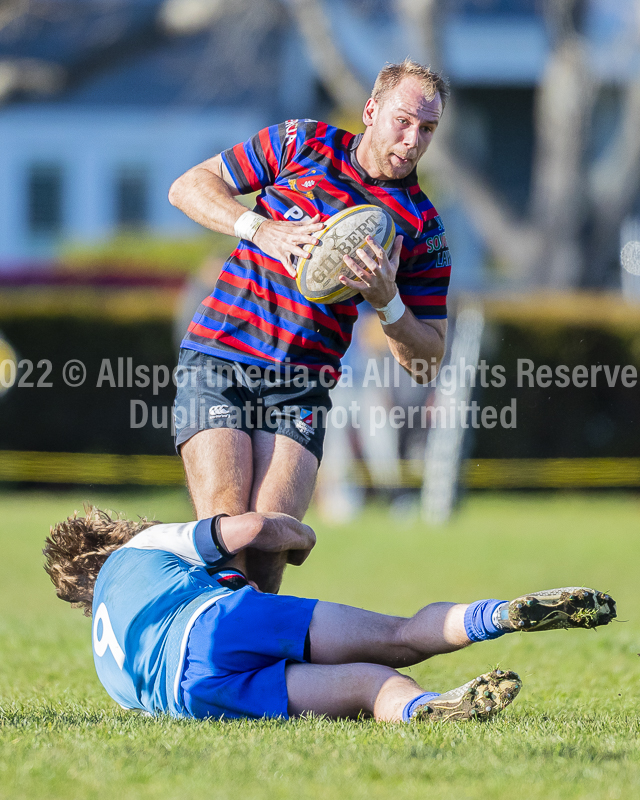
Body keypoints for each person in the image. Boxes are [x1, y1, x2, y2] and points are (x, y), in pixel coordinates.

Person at [168, 59, 452, 592]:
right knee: (229, 536)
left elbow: (427, 360)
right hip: (220, 357)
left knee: (269, 548)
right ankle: (198, 663)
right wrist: (260, 227)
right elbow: (187, 187)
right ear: (371, 110)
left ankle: (254, 670)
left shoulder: (421, 227)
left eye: (428, 128)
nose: (413, 139)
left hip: (301, 383)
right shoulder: (302, 143)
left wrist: (387, 301)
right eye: (403, 120)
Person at [43, 507, 617, 722]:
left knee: (371, 688)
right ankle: (502, 614)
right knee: (398, 637)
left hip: (193, 694)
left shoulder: (101, 661)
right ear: (107, 535)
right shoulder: (136, 549)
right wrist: (298, 534)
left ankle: (424, 710)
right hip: (216, 621)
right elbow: (248, 529)